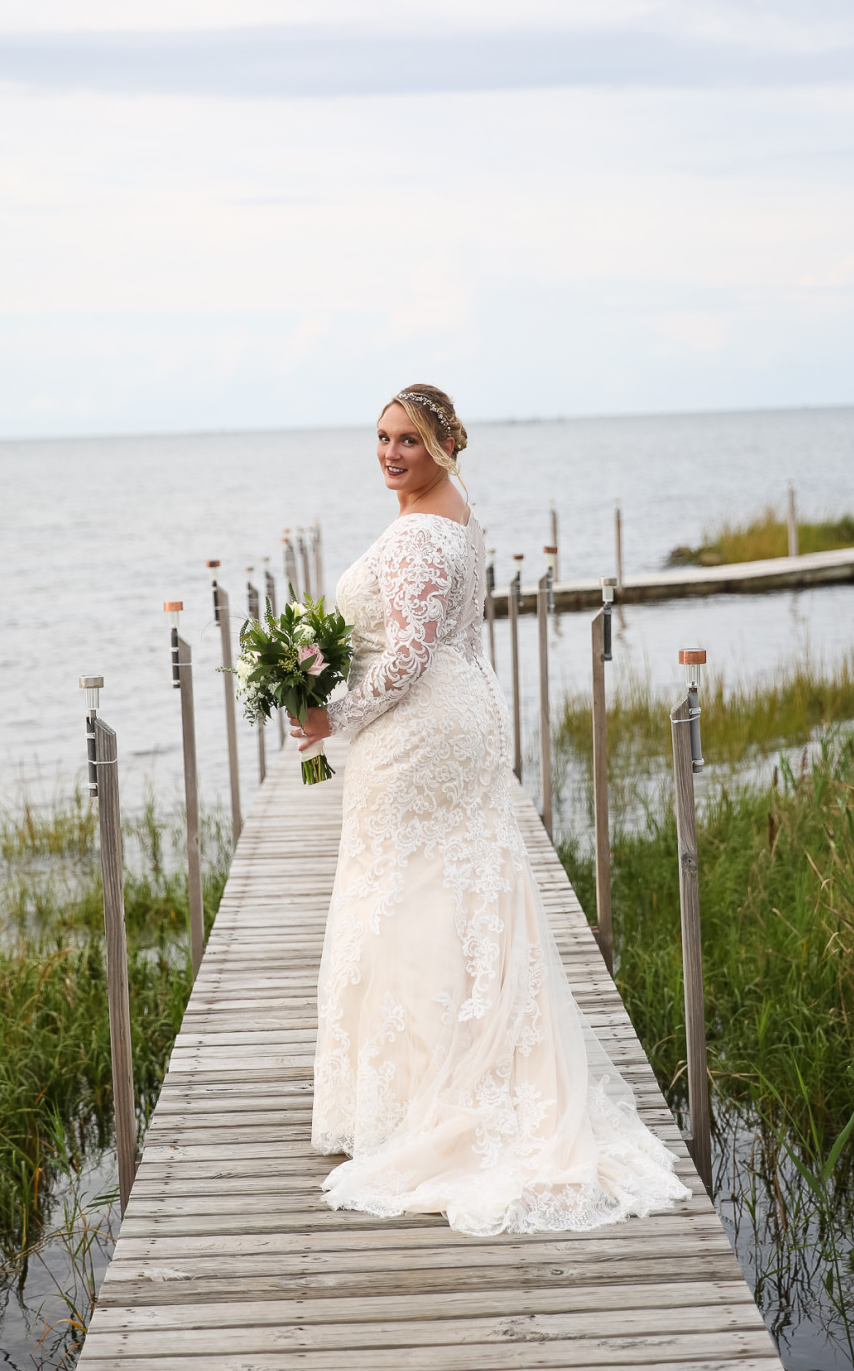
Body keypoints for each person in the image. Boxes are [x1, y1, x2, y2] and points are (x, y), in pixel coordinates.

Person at [287, 383, 691, 1236]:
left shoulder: (424, 537)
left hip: (423, 726)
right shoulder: (457, 519)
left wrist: (332, 718)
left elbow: (403, 659)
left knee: (403, 891)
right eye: (382, 437)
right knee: (452, 888)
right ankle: (448, 1069)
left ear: (442, 446)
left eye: (408, 440)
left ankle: (423, 1099)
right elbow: (453, 640)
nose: (391, 453)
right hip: (462, 713)